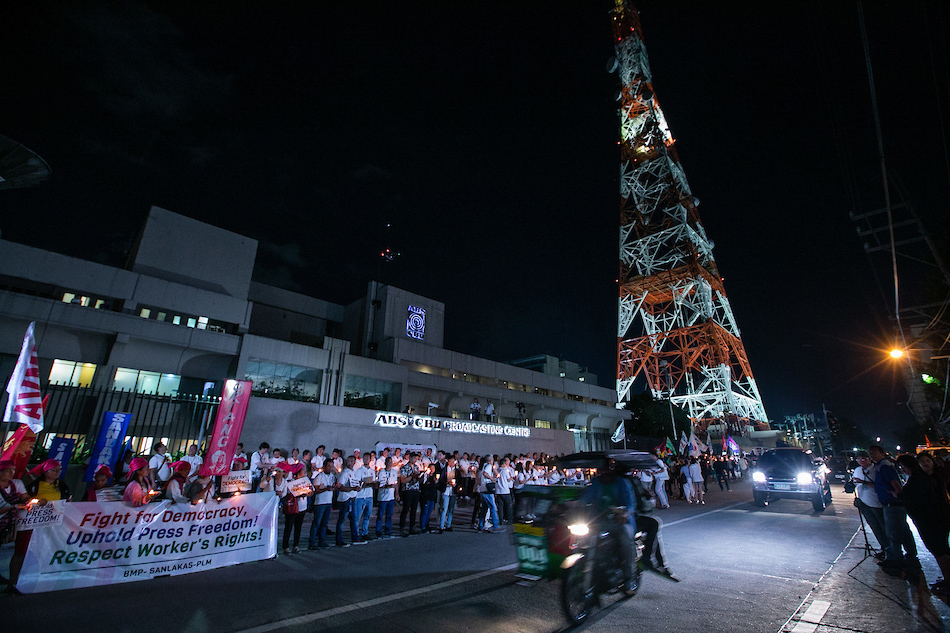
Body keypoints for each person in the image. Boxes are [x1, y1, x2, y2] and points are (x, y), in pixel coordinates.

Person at [11, 459, 72, 588]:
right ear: (45, 472)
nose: (57, 473)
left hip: (52, 526)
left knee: (44, 553)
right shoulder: (34, 486)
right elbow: (26, 502)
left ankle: (35, 580)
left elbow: (68, 502)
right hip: (31, 525)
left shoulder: (62, 486)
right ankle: (13, 581)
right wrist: (37, 501)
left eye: (58, 470)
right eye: (54, 470)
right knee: (21, 552)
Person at [581, 460, 638, 596]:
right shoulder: (595, 483)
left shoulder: (622, 483)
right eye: (601, 471)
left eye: (606, 471)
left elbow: (630, 504)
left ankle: (629, 579)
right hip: (600, 522)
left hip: (621, 523)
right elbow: (585, 499)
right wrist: (569, 505)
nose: (604, 475)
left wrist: (625, 513)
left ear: (611, 470)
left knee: (625, 541)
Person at [897, 454, 950, 592]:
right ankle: (947, 579)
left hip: (932, 520)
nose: (925, 463)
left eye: (928, 460)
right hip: (932, 520)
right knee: (941, 549)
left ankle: (948, 581)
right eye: (922, 461)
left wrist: (899, 495)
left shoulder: (922, 480)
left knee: (939, 550)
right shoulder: (923, 478)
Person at [868, 445, 919, 575]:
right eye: (870, 453)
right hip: (891, 504)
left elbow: (895, 483)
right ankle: (910, 555)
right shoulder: (881, 465)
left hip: (892, 505)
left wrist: (899, 495)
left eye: (874, 453)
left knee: (893, 532)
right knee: (902, 530)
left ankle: (895, 559)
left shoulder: (884, 466)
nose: (871, 455)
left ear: (882, 453)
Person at [629, 470, 678, 581]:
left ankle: (657, 562)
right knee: (653, 524)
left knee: (653, 525)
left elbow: (636, 499)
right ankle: (651, 560)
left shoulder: (631, 480)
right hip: (621, 520)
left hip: (629, 517)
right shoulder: (624, 481)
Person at [851, 451, 888, 558]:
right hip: (864, 504)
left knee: (884, 528)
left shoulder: (875, 469)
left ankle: (891, 551)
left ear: (869, 459)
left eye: (863, 458)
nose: (861, 461)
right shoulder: (858, 470)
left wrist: (863, 482)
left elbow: (880, 486)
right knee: (875, 528)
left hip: (877, 504)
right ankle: (884, 548)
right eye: (858, 459)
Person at [309, 459, 337, 549]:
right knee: (317, 523)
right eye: (329, 466)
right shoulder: (319, 476)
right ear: (324, 467)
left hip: (328, 502)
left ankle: (322, 540)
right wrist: (325, 489)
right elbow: (316, 491)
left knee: (324, 523)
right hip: (320, 502)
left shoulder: (332, 476)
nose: (330, 468)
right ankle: (312, 542)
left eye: (331, 466)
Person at [335, 455, 362, 546]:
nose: (350, 462)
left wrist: (357, 488)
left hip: (352, 498)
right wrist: (352, 488)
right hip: (346, 499)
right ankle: (339, 540)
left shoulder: (353, 472)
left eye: (352, 461)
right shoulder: (345, 473)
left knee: (354, 520)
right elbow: (340, 486)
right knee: (342, 520)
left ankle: (355, 538)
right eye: (349, 461)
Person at [476, 455, 502, 533]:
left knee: (484, 508)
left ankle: (480, 526)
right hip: (487, 490)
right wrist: (492, 478)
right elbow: (485, 473)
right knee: (493, 507)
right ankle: (495, 525)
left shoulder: (485, 466)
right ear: (491, 460)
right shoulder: (488, 466)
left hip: (483, 490)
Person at [353, 453, 376, 541]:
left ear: (370, 460)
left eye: (367, 458)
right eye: (364, 458)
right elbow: (358, 482)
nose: (366, 460)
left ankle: (365, 532)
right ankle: (356, 533)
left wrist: (373, 484)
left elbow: (373, 482)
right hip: (361, 496)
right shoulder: (359, 470)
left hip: (369, 495)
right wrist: (365, 483)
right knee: (358, 516)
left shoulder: (372, 471)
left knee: (367, 515)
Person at [399, 453, 423, 535]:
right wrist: (412, 476)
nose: (415, 460)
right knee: (406, 509)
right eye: (414, 458)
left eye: (416, 459)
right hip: (408, 490)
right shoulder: (404, 467)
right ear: (410, 458)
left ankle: (412, 526)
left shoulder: (416, 467)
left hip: (415, 489)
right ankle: (402, 527)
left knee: (414, 509)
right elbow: (403, 480)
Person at [375, 456, 398, 539]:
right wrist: (385, 486)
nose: (389, 463)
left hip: (391, 497)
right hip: (383, 497)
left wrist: (397, 493)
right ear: (385, 463)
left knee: (389, 515)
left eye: (391, 462)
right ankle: (378, 530)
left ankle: (388, 530)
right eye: (388, 462)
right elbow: (378, 484)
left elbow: (396, 484)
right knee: (380, 515)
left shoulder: (394, 472)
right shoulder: (381, 472)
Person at [438, 455, 458, 533]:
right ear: (448, 461)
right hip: (446, 490)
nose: (452, 463)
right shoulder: (444, 470)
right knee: (444, 508)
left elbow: (459, 479)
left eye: (453, 462)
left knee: (451, 509)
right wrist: (446, 482)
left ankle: (448, 524)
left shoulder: (456, 471)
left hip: (453, 491)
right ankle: (441, 526)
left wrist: (456, 485)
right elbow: (441, 480)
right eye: (450, 461)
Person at [419, 464, 440, 532]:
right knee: (424, 511)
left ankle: (427, 525)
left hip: (432, 496)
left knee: (429, 512)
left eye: (433, 468)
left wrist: (436, 482)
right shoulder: (425, 475)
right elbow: (423, 486)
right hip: (426, 496)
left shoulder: (435, 477)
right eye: (431, 468)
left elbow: (437, 486)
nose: (432, 469)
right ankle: (423, 526)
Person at [495, 457, 514, 524]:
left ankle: (501, 520)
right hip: (505, 490)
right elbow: (508, 479)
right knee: (508, 506)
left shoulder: (497, 470)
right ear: (503, 464)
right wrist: (511, 478)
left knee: (500, 507)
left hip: (498, 491)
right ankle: (509, 519)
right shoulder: (504, 471)